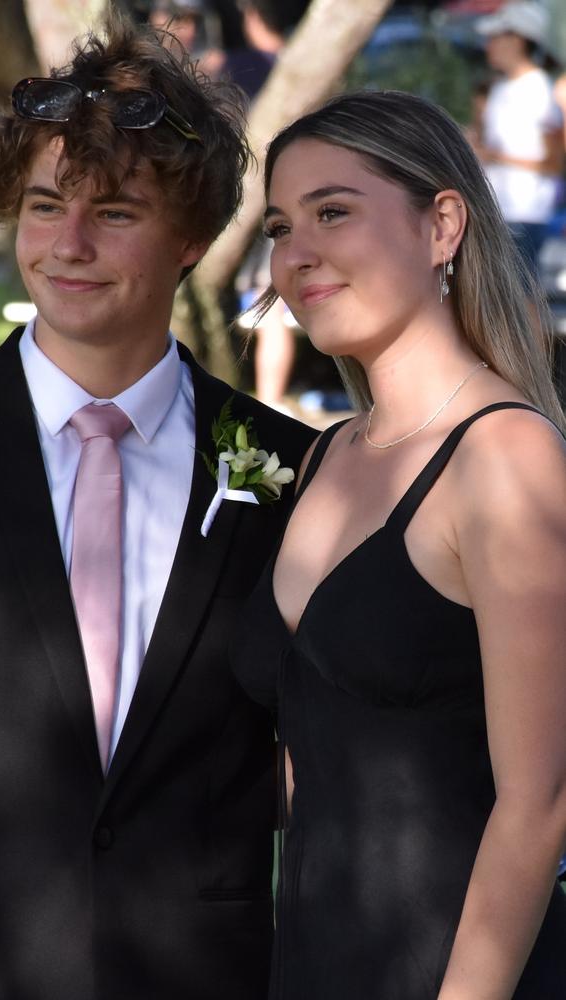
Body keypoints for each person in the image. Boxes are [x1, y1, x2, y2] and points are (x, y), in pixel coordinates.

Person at [0, 14, 316, 1000]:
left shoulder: (281, 468)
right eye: (46, 204)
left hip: (201, 970)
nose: (69, 244)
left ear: (190, 235)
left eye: (117, 212)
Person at [231, 90, 566, 999]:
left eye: (333, 212)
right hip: (314, 964)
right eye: (279, 226)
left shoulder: (507, 457)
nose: (296, 255)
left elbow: (538, 805)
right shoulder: (327, 455)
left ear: (442, 225)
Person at [473, 0, 564, 270]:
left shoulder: (539, 91)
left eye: (494, 38)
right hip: (498, 209)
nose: (487, 46)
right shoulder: (499, 88)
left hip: (525, 212)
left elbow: (554, 164)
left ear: (517, 40)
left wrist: (494, 156)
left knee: (522, 296)